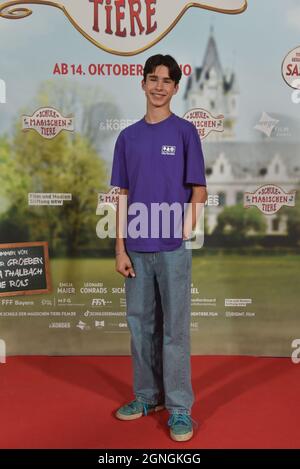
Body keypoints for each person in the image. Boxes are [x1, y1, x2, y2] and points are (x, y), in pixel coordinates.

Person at [110, 54, 207, 442]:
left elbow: (198, 190)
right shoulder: (127, 137)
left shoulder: (185, 133)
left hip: (171, 250)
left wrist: (183, 230)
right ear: (143, 83)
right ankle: (147, 398)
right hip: (135, 247)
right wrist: (119, 248)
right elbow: (122, 194)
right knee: (141, 328)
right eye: (153, 79)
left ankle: (180, 408)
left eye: (167, 80)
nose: (159, 86)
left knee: (175, 332)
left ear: (176, 87)